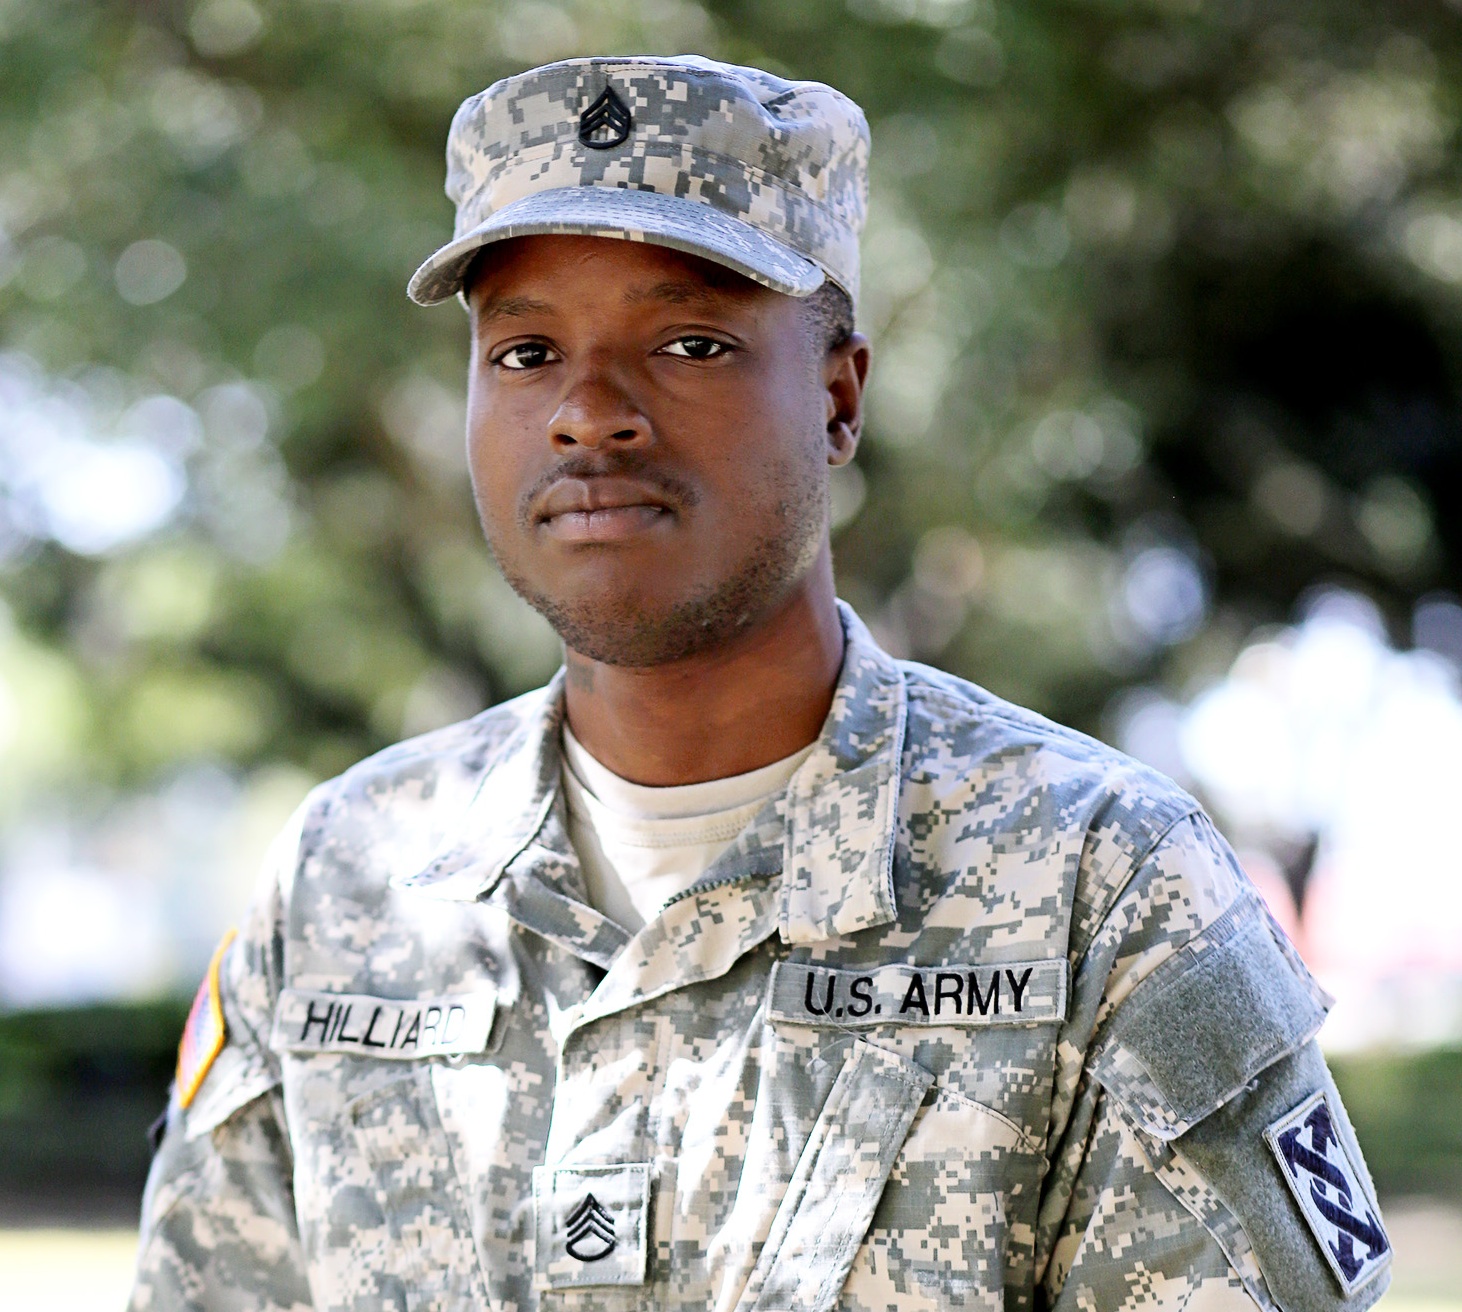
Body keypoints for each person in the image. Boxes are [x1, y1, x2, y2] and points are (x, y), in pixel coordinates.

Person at [130, 55, 1391, 1312]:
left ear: (838, 399)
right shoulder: (347, 879)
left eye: (690, 342)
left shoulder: (1097, 883)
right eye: (524, 351)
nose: (588, 413)